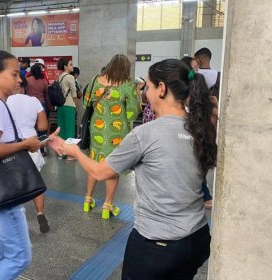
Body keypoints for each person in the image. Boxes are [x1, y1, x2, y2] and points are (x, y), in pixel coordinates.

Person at [50, 58, 217, 279]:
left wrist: (76, 152)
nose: (144, 93)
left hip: (157, 244)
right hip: (197, 238)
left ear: (162, 89)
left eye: (148, 87)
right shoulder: (202, 128)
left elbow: (100, 172)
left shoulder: (146, 134)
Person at [0, 50, 50, 279]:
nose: (19, 79)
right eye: (15, 74)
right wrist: (24, 145)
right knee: (19, 256)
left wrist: (25, 144)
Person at [82, 54, 141, 219]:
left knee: (95, 162)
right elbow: (132, 113)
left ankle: (88, 199)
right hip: (117, 131)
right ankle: (107, 206)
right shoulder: (128, 85)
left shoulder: (95, 80)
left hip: (97, 129)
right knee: (113, 166)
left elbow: (86, 103)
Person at [7, 84, 51, 233]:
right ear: (24, 88)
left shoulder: (4, 100)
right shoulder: (34, 101)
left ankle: (18, 219)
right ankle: (40, 213)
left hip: (13, 147)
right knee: (36, 183)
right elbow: (43, 126)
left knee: (14, 185)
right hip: (32, 145)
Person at [182, 56, 215, 209]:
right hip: (204, 147)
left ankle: (203, 195)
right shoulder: (210, 106)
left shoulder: (183, 107)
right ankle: (204, 195)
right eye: (193, 66)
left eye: (197, 66)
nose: (196, 69)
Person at [27, 64, 50, 155]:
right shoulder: (44, 81)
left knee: (31, 126)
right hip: (42, 104)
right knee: (42, 129)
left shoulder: (27, 80)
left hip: (30, 104)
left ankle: (31, 148)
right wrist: (49, 106)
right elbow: (47, 95)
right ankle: (42, 150)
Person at [56, 58, 78, 147]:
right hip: (69, 105)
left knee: (61, 130)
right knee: (70, 129)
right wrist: (76, 105)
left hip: (61, 106)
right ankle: (70, 152)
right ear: (65, 66)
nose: (72, 66)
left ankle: (62, 152)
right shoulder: (70, 77)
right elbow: (74, 93)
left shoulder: (60, 77)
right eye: (70, 64)